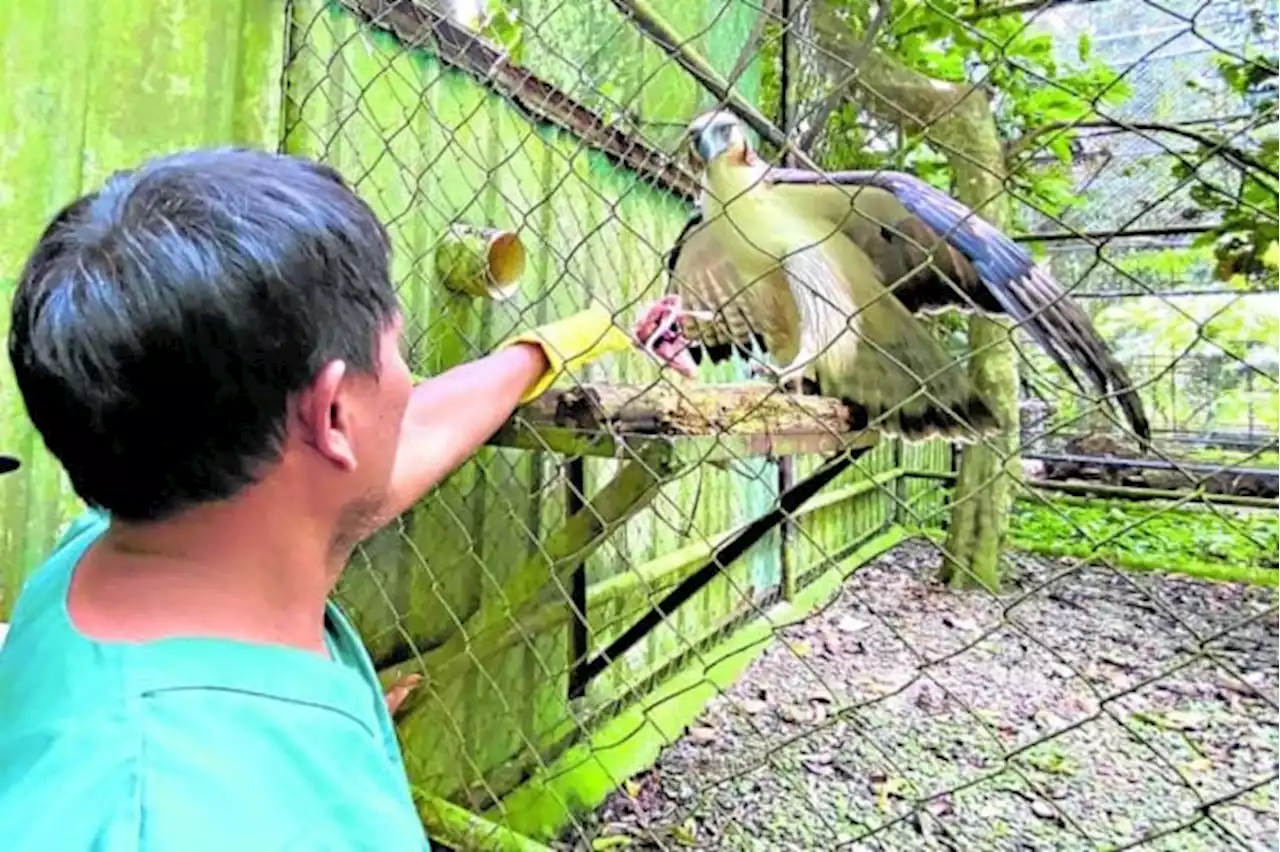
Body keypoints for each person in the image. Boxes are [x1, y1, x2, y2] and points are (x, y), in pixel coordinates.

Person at [0, 147, 686, 850]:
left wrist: (569, 342)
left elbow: (409, 432)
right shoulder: (217, 823)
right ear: (332, 417)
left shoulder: (112, 550)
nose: (408, 383)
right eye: (396, 356)